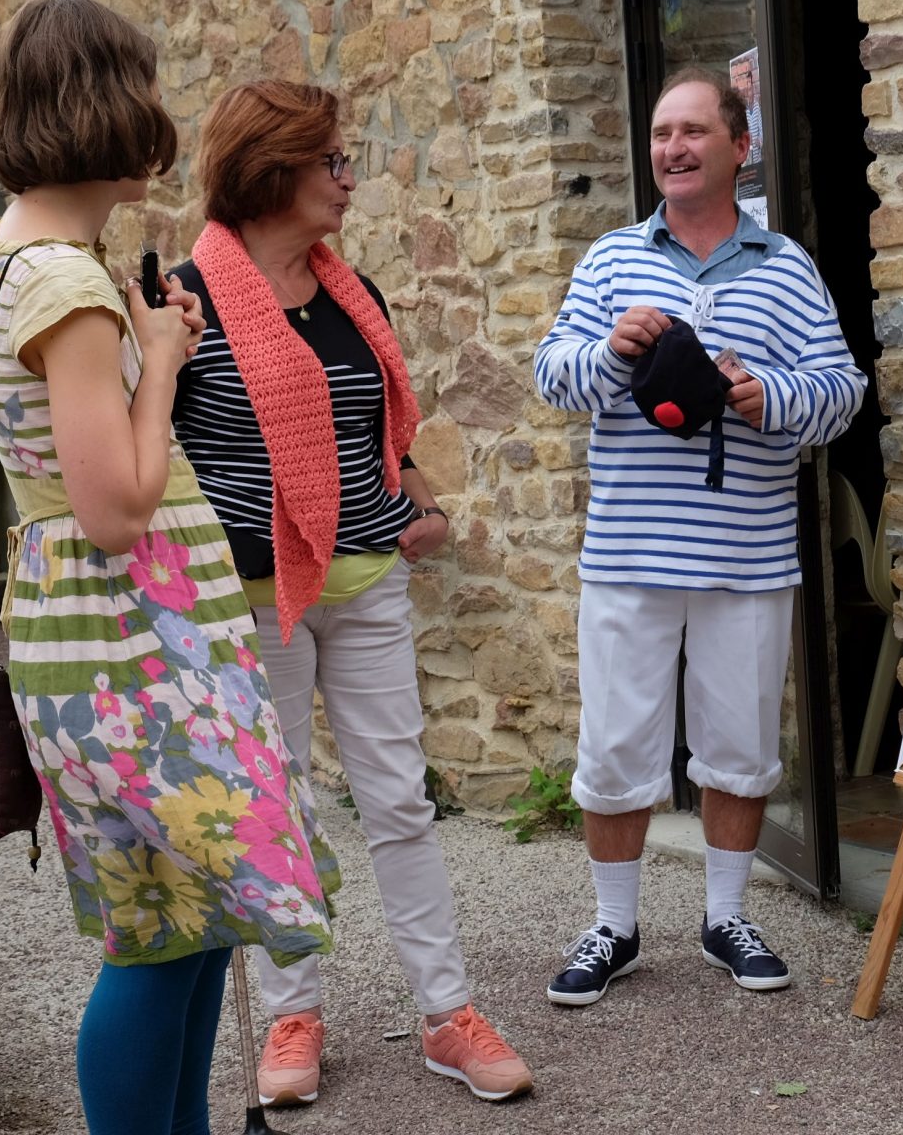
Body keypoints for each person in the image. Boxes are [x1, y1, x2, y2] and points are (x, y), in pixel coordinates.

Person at [0, 0, 339, 1135]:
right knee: (157, 941)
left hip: (111, 640)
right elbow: (116, 507)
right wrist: (166, 358)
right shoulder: (62, 284)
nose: (157, 114)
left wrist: (147, 346)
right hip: (130, 645)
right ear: (103, 104)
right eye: (140, 86)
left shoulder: (27, 259)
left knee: (188, 927)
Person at [169, 79, 533, 1106]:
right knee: (275, 808)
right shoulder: (184, 296)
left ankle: (445, 1011)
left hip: (366, 577)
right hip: (249, 594)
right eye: (331, 160)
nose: (348, 177)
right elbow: (157, 443)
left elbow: (381, 432)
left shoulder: (349, 290)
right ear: (270, 169)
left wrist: (414, 495)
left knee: (398, 802)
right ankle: (292, 1014)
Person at [533, 66, 865, 1006]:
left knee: (742, 746)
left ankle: (725, 918)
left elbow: (842, 394)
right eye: (661, 134)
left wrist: (773, 397)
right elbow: (553, 375)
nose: (672, 149)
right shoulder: (607, 261)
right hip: (630, 553)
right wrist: (610, 352)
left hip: (748, 556)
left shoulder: (788, 266)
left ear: (738, 146)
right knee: (613, 751)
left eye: (692, 132)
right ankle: (615, 927)